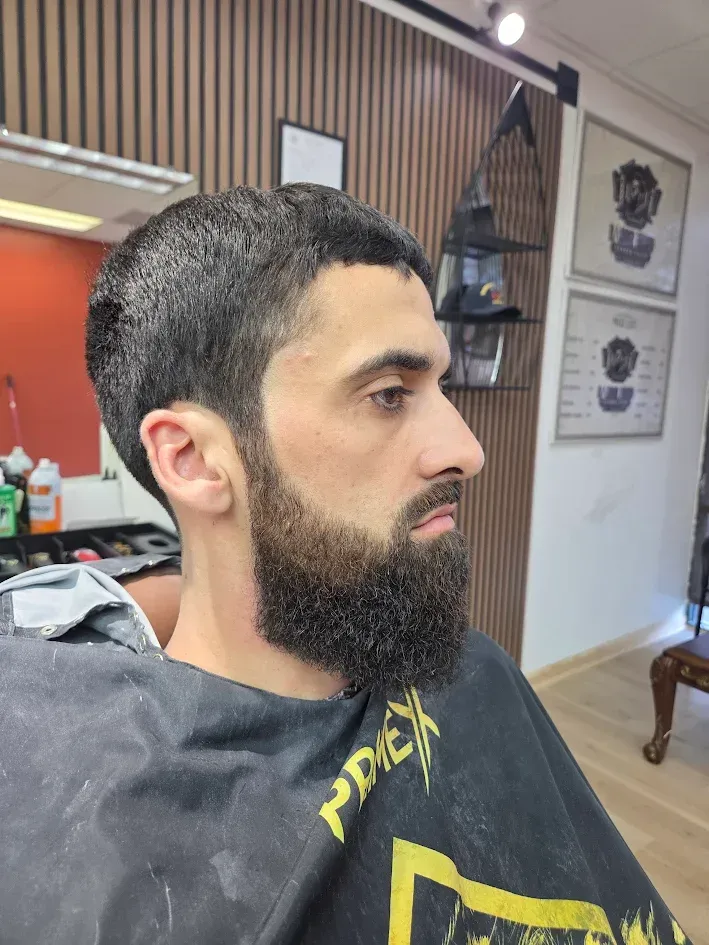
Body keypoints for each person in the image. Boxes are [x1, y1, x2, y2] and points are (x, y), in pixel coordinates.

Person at [0, 185, 689, 945]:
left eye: (439, 385)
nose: (466, 448)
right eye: (389, 393)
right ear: (193, 459)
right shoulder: (61, 822)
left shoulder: (475, 676)